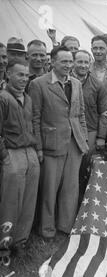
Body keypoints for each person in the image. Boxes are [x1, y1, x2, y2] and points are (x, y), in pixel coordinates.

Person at [29, 46, 89, 239]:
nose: (68, 65)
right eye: (64, 61)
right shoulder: (38, 84)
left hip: (74, 143)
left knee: (71, 187)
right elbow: (35, 118)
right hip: (51, 144)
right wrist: (38, 147)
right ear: (52, 62)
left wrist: (83, 138)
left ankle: (65, 226)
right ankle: (46, 229)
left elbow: (80, 114)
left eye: (70, 61)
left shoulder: (76, 84)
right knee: (49, 189)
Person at [0, 59, 40, 266]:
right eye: (19, 75)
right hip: (12, 154)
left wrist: (37, 151)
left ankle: (20, 243)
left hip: (30, 153)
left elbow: (34, 124)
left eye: (26, 75)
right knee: (10, 201)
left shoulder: (28, 98)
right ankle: (4, 246)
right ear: (8, 74)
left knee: (28, 200)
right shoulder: (3, 98)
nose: (24, 79)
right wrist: (4, 156)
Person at [71, 50, 107, 190]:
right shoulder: (66, 81)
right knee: (69, 171)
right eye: (79, 61)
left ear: (90, 63)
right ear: (73, 62)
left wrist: (101, 137)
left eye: (86, 62)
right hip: (69, 132)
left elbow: (105, 113)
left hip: (90, 131)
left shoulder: (97, 85)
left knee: (84, 169)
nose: (83, 65)